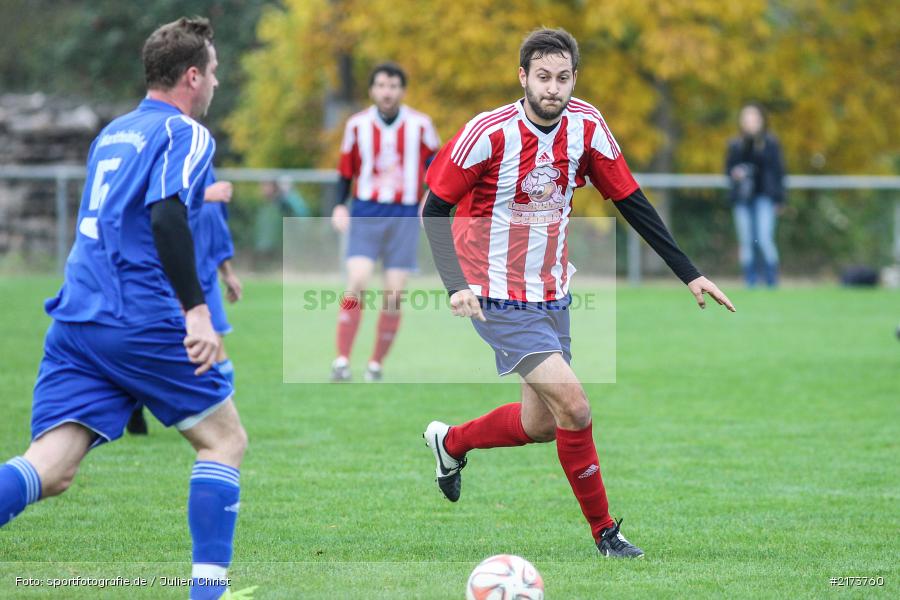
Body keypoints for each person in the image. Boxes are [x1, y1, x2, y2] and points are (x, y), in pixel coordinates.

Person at [421, 28, 735, 559]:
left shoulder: (587, 125)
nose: (553, 88)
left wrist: (689, 272)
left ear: (574, 78)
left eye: (563, 78)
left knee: (540, 423)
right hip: (495, 292)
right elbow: (433, 209)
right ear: (522, 77)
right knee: (576, 406)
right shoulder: (488, 132)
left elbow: (630, 198)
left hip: (552, 290)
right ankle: (605, 533)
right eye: (542, 77)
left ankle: (450, 443)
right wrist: (457, 287)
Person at [0, 18, 253, 599]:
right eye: (213, 72)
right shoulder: (185, 133)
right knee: (224, 441)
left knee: (50, 468)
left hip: (76, 319)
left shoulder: (113, 133)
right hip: (137, 316)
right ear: (193, 75)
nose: (215, 82)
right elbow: (166, 216)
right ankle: (208, 595)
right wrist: (195, 311)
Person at [329, 62, 440, 382]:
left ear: (402, 91)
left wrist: (428, 200)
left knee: (393, 292)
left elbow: (436, 168)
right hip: (366, 211)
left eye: (393, 86)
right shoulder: (357, 125)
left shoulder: (421, 125)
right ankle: (342, 360)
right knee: (358, 280)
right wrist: (339, 204)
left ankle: (375, 364)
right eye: (381, 85)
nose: (387, 92)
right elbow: (345, 170)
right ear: (372, 90)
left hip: (404, 215)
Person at [127, 168, 242, 435]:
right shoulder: (169, 170)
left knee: (217, 347)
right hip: (171, 275)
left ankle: (224, 424)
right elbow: (162, 215)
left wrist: (228, 273)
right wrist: (206, 195)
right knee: (159, 346)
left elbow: (217, 230)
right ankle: (134, 402)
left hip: (205, 277)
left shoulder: (208, 172)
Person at [725, 102, 786, 287]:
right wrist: (737, 173)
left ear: (761, 121)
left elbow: (779, 172)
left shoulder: (770, 143)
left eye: (753, 118)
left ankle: (771, 279)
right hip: (743, 199)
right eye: (746, 118)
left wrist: (779, 199)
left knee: (764, 238)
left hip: (764, 198)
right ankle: (750, 280)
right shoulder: (736, 145)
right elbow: (728, 170)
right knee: (746, 240)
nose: (750, 122)